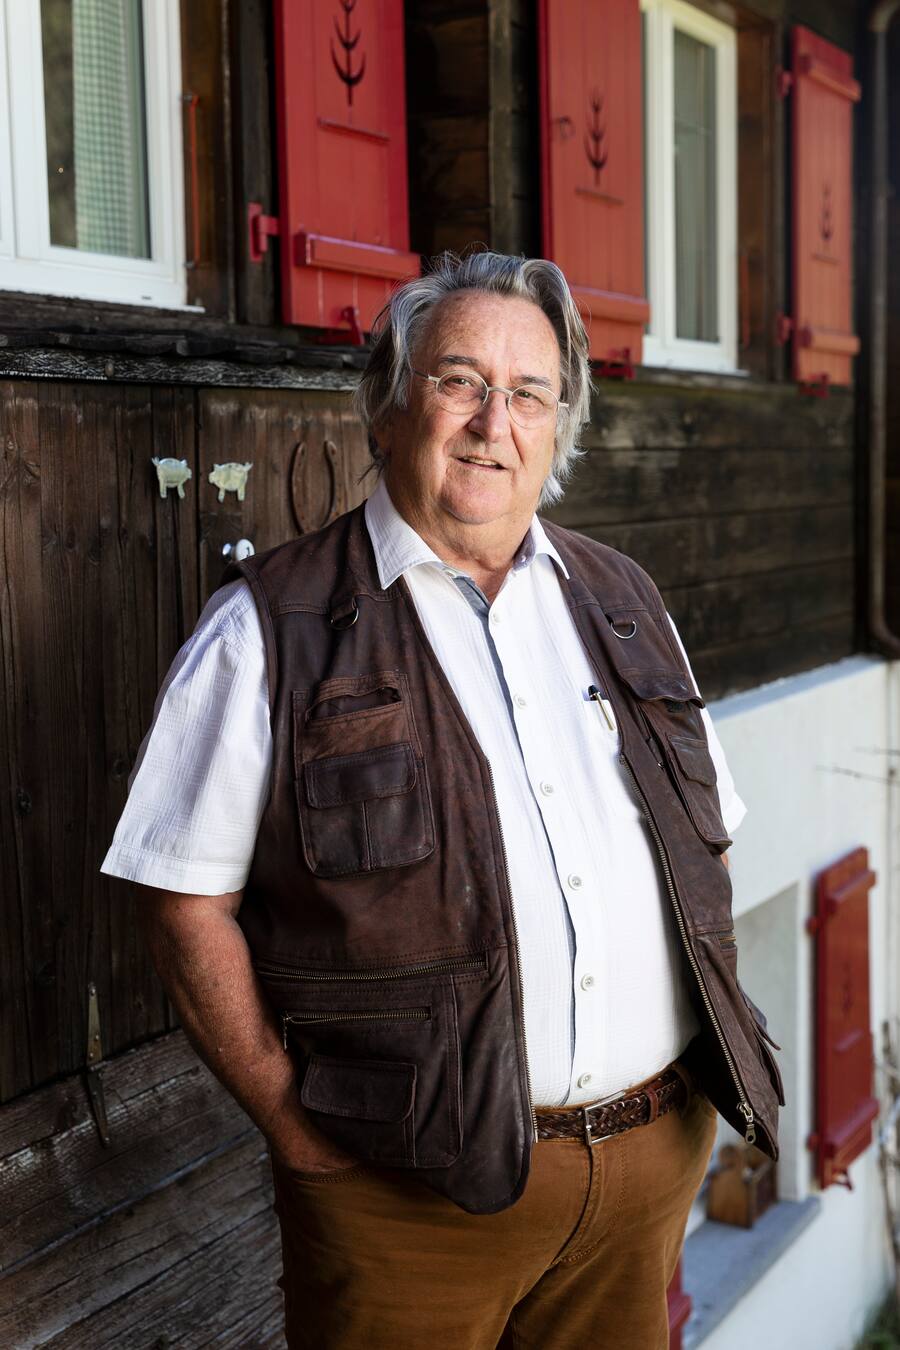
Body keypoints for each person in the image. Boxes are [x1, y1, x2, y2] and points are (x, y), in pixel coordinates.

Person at [102, 250, 782, 1349]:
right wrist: (293, 1124)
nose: (491, 423)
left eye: (529, 394)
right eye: (459, 381)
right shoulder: (271, 630)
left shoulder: (624, 601)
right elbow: (181, 902)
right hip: (404, 1201)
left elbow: (708, 839)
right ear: (387, 405)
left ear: (559, 424)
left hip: (648, 1165)